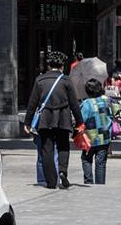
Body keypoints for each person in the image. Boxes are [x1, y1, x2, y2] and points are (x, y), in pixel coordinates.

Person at [25, 50, 82, 190]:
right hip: (63, 118)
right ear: (62, 65)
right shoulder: (66, 80)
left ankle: (51, 181)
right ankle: (62, 171)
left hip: (45, 119)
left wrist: (27, 122)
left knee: (47, 149)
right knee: (63, 146)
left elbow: (32, 103)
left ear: (48, 65)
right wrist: (80, 122)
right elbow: (74, 103)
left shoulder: (40, 80)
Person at [78, 78, 121, 186]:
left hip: (89, 138)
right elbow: (119, 107)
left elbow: (81, 119)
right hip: (105, 136)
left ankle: (88, 182)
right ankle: (100, 185)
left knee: (86, 159)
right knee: (101, 162)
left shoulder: (86, 103)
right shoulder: (106, 100)